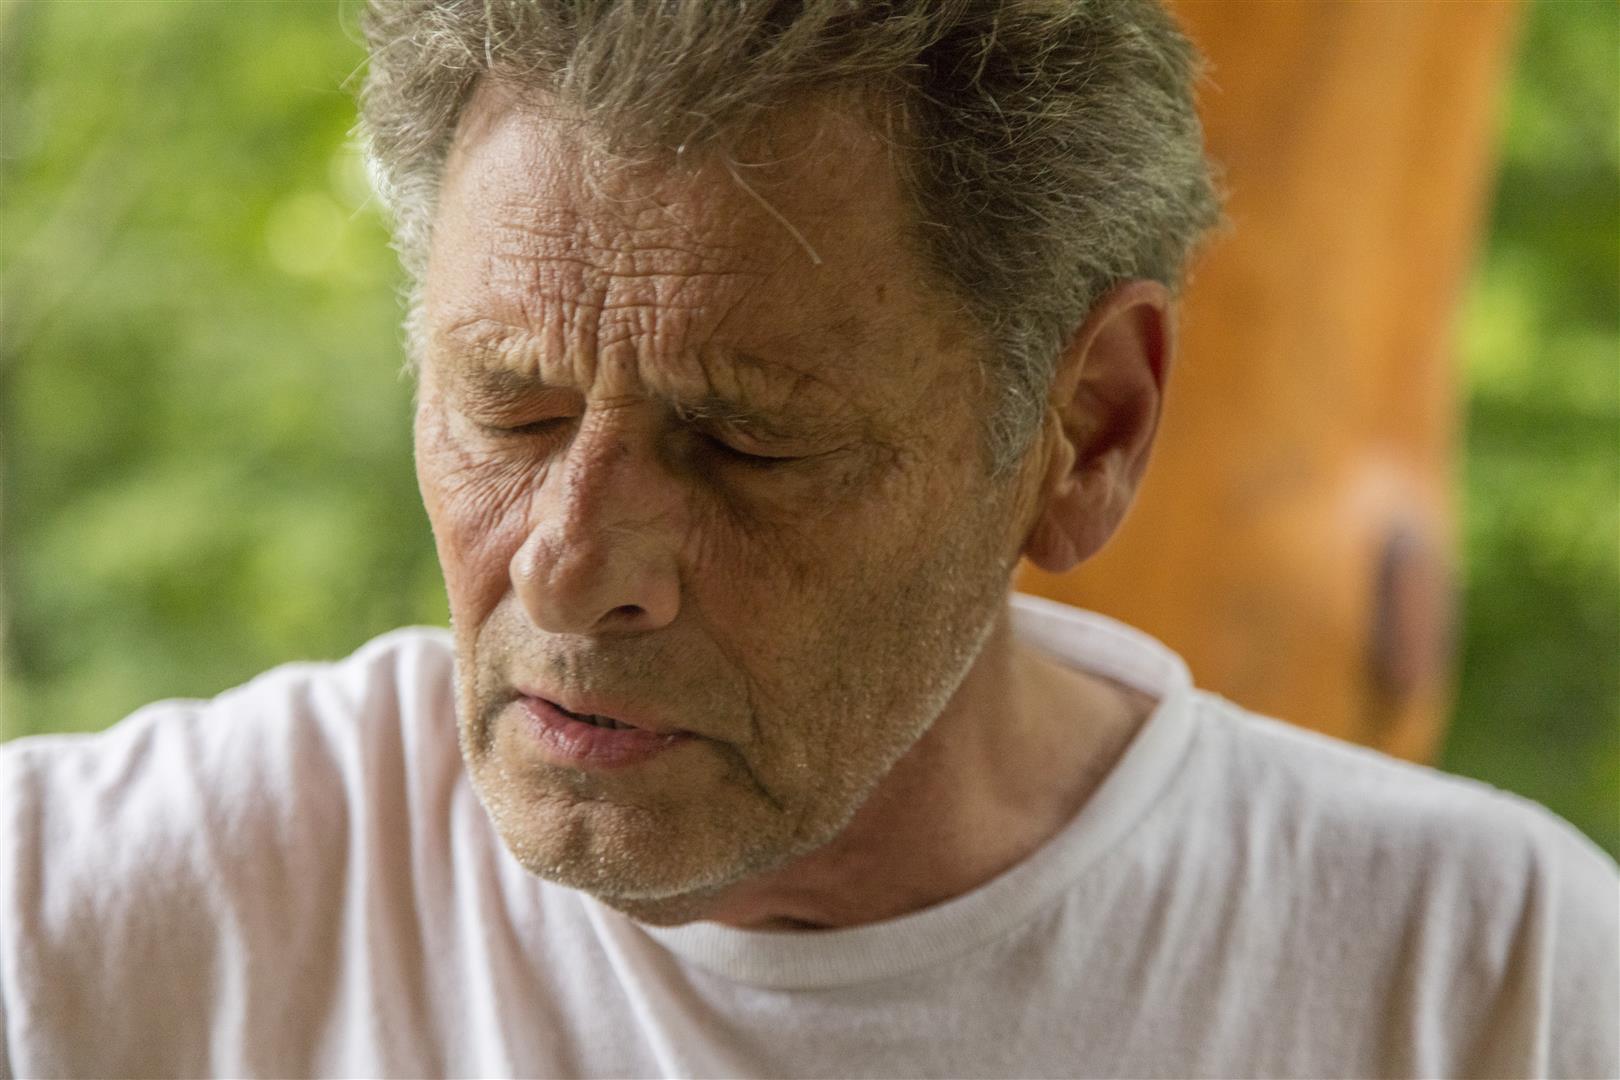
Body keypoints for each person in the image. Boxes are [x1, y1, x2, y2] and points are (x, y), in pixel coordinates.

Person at [2, 1, 1614, 1075]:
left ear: (1089, 429)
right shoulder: (100, 919)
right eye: (509, 411)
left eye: (744, 441)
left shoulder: (1487, 982)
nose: (568, 565)